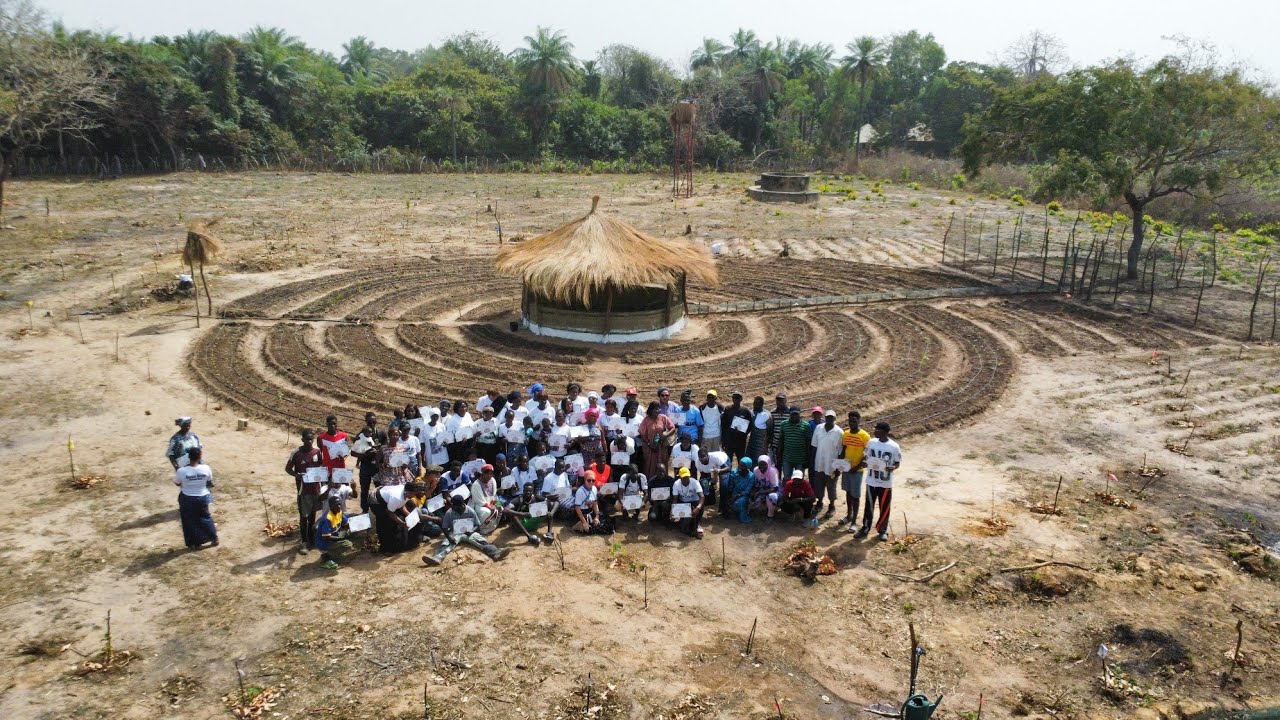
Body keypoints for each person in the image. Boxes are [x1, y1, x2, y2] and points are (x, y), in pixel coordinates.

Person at [422, 495, 513, 566]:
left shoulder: (470, 511)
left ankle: (496, 553)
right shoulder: (449, 512)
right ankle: (436, 558)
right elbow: (445, 528)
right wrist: (449, 537)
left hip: (469, 532)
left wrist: (472, 530)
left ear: (461, 505)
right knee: (446, 544)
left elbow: (477, 525)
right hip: (454, 532)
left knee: (481, 541)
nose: (452, 507)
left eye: (454, 505)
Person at [855, 422, 902, 541]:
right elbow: (866, 457)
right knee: (868, 506)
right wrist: (865, 463)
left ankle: (882, 530)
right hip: (871, 481)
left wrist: (893, 467)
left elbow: (897, 462)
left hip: (886, 482)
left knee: (884, 506)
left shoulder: (894, 446)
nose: (874, 431)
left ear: (885, 432)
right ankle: (865, 527)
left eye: (877, 430)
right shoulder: (871, 443)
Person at [285, 429, 326, 554]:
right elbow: (288, 469)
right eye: (307, 439)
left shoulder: (317, 452)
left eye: (311, 439)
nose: (310, 441)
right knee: (304, 516)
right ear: (302, 440)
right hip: (303, 491)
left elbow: (321, 466)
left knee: (312, 514)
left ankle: (311, 538)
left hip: (315, 489)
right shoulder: (296, 453)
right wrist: (297, 475)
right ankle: (303, 542)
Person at [174, 447, 218, 549]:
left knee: (189, 520)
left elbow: (177, 483)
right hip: (202, 497)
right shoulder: (206, 468)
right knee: (205, 517)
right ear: (200, 457)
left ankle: (195, 543)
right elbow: (210, 481)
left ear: (188, 457)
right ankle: (214, 537)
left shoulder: (182, 471)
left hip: (187, 498)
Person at [372, 481, 430, 554]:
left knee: (397, 523)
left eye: (414, 494)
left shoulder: (408, 493)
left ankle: (397, 544)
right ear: (406, 491)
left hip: (387, 498)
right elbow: (389, 512)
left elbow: (402, 504)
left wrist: (408, 515)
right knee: (385, 523)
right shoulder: (397, 497)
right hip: (376, 500)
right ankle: (385, 549)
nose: (412, 496)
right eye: (411, 494)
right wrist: (402, 523)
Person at [810, 410, 844, 517]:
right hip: (819, 462)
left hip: (832, 465)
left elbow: (841, 452)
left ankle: (832, 506)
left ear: (834, 419)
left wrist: (838, 467)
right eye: (827, 417)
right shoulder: (819, 428)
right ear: (825, 418)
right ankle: (819, 503)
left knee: (831, 486)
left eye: (831, 417)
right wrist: (812, 461)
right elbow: (814, 446)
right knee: (819, 484)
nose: (829, 419)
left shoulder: (839, 432)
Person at [841, 412, 871, 526]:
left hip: (857, 471)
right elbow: (843, 451)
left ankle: (853, 522)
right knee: (848, 493)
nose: (852, 423)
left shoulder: (865, 436)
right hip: (846, 469)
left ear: (859, 421)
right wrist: (840, 465)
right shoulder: (846, 434)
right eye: (850, 421)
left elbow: (867, 455)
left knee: (855, 496)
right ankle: (848, 516)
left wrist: (857, 467)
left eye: (854, 421)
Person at [354, 413, 386, 512]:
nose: (372, 423)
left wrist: (378, 453)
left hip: (377, 467)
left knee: (380, 489)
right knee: (364, 490)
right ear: (366, 422)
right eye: (369, 422)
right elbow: (353, 452)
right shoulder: (361, 435)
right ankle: (364, 510)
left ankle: (380, 509)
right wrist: (365, 455)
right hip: (366, 466)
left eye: (373, 421)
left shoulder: (381, 433)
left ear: (376, 421)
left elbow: (386, 448)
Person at [638, 401, 677, 480]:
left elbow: (672, 428)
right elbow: (642, 434)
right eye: (655, 409)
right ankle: (650, 483)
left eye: (658, 409)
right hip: (650, 448)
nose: (657, 410)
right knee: (650, 465)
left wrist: (666, 434)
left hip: (662, 446)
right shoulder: (646, 420)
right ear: (651, 410)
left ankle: (663, 482)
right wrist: (650, 444)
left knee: (662, 464)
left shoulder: (663, 417)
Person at [316, 496, 356, 570]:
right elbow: (326, 537)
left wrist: (361, 525)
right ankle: (328, 557)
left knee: (351, 532)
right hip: (324, 542)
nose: (339, 506)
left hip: (334, 536)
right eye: (336, 505)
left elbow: (347, 524)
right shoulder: (327, 518)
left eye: (340, 504)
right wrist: (340, 539)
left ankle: (335, 551)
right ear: (331, 506)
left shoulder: (339, 513)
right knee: (347, 544)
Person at [777, 409, 811, 483]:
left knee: (799, 480)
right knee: (786, 478)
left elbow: (808, 443)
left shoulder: (806, 426)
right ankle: (786, 494)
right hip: (787, 458)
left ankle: (797, 494)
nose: (795, 416)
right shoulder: (784, 424)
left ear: (799, 414)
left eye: (796, 414)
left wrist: (808, 458)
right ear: (790, 414)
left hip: (801, 459)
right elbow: (781, 441)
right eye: (793, 414)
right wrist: (779, 456)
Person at [670, 467, 705, 538]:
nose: (685, 479)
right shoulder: (676, 484)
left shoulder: (695, 482)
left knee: (701, 505)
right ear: (679, 477)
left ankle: (697, 523)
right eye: (683, 477)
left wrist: (698, 508)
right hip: (683, 504)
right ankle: (685, 523)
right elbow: (675, 499)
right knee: (684, 524)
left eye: (687, 477)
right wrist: (673, 511)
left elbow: (702, 497)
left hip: (694, 503)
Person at [720, 392, 752, 463]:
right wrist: (723, 440)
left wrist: (744, 433)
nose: (735, 400)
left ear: (741, 399)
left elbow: (750, 425)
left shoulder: (746, 411)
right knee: (728, 461)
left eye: (737, 398)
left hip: (740, 441)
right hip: (729, 441)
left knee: (741, 461)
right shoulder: (728, 409)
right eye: (734, 398)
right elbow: (723, 425)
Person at [694, 446, 729, 510]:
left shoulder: (716, 458)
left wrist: (718, 471)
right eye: (700, 457)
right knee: (704, 482)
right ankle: (709, 500)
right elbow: (703, 474)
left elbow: (728, 468)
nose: (701, 459)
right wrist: (708, 483)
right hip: (712, 468)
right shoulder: (697, 462)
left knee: (724, 485)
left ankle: (724, 506)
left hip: (723, 463)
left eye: (703, 457)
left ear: (707, 455)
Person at [727, 457, 756, 524]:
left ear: (748, 467)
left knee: (741, 501)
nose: (739, 467)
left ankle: (743, 517)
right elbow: (730, 486)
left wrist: (737, 496)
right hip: (735, 493)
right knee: (733, 504)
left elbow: (747, 490)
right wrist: (730, 496)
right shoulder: (734, 473)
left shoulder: (751, 476)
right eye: (739, 465)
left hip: (744, 495)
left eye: (742, 466)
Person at [747, 396, 771, 460]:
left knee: (759, 460)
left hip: (761, 444)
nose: (755, 405)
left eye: (757, 404)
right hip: (751, 442)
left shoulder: (766, 415)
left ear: (762, 405)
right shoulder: (751, 413)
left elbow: (770, 431)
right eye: (754, 403)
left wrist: (766, 445)